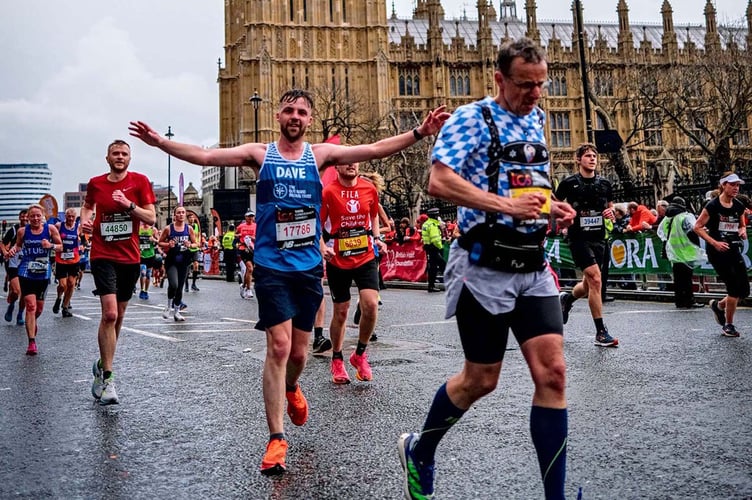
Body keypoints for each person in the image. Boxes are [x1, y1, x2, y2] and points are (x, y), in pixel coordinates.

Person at [129, 89, 449, 476]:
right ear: (278, 116)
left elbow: (375, 149)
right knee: (278, 347)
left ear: (309, 119)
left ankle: (293, 388)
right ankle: (276, 439)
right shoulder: (260, 155)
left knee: (298, 355)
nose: (294, 116)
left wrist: (421, 131)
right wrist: (160, 142)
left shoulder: (321, 156)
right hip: (271, 266)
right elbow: (206, 155)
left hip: (308, 267)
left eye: (301, 112)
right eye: (288, 110)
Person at [398, 38, 576, 500]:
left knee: (553, 373)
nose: (535, 95)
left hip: (532, 264)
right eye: (524, 85)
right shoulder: (470, 119)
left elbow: (524, 185)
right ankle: (421, 448)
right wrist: (503, 206)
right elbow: (439, 180)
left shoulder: (537, 118)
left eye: (541, 85)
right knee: (482, 379)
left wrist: (550, 207)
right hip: (483, 266)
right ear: (499, 78)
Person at [80, 139, 157, 405]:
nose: (120, 157)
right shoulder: (96, 183)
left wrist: (128, 205)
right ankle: (109, 379)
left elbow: (151, 218)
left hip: (130, 257)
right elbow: (89, 206)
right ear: (108, 158)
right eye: (116, 153)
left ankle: (103, 363)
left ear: (130, 158)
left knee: (119, 316)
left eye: (124, 153)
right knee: (110, 313)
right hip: (102, 254)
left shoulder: (140, 182)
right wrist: (85, 221)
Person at [320, 162, 386, 384]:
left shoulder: (369, 189)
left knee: (370, 304)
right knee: (341, 311)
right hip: (338, 258)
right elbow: (317, 225)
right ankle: (337, 359)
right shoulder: (328, 192)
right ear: (336, 167)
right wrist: (322, 247)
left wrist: (377, 238)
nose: (351, 164)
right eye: (346, 161)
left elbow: (373, 215)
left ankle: (359, 354)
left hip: (365, 255)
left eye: (355, 161)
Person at [554, 142, 619, 347]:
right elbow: (554, 203)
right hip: (578, 238)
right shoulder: (569, 183)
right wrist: (563, 217)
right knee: (596, 280)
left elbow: (611, 208)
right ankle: (601, 332)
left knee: (588, 283)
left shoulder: (605, 184)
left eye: (594, 156)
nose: (592, 159)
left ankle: (567, 299)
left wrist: (611, 213)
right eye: (588, 156)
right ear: (578, 159)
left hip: (599, 237)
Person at [694, 173, 749, 337]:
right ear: (723, 185)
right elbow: (697, 227)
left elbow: (742, 224)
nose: (736, 188)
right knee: (733, 288)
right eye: (732, 185)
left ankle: (718, 306)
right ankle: (728, 325)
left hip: (733, 249)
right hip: (718, 252)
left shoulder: (738, 205)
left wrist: (742, 230)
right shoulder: (712, 205)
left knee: (744, 291)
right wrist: (714, 243)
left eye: (738, 185)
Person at [6, 204, 63, 355]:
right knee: (30, 306)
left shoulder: (50, 229)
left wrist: (50, 245)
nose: (35, 218)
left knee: (38, 309)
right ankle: (31, 342)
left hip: (43, 273)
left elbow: (61, 247)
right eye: (32, 216)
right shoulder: (22, 231)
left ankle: (32, 322)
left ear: (43, 216)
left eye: (38, 215)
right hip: (26, 271)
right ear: (28, 218)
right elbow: (18, 247)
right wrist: (13, 250)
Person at [657, 197, 705, 309]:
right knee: (687, 278)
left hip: (674, 253)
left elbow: (661, 233)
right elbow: (692, 232)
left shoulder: (666, 219)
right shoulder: (685, 217)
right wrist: (697, 246)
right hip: (686, 252)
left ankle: (679, 301)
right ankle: (689, 301)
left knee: (678, 279)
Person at [158, 206, 198, 321]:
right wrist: (168, 244)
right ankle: (168, 307)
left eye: (183, 213)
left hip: (184, 261)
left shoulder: (189, 228)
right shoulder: (168, 229)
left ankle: (176, 312)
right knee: (174, 284)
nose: (181, 215)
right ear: (174, 215)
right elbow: (160, 242)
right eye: (179, 213)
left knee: (180, 287)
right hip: (172, 260)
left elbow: (196, 244)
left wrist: (190, 245)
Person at [51, 208, 81, 318]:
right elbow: (52, 236)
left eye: (73, 217)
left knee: (71, 284)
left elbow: (82, 239)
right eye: (69, 216)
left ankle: (65, 306)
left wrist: (81, 245)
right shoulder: (59, 226)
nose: (71, 219)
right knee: (63, 285)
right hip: (61, 259)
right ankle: (59, 297)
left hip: (74, 259)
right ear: (66, 216)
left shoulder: (78, 227)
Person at [2, 209, 28, 325]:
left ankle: (20, 314)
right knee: (16, 292)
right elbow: (2, 243)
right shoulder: (13, 230)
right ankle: (12, 305)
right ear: (19, 217)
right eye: (22, 216)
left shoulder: (34, 230)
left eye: (26, 216)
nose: (25, 219)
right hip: (13, 265)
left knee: (25, 293)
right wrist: (5, 253)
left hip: (27, 266)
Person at [421, 208, 445, 292]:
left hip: (428, 247)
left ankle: (431, 286)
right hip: (434, 247)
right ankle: (451, 283)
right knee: (443, 265)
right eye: (437, 215)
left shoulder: (426, 224)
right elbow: (435, 239)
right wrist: (440, 247)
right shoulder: (432, 225)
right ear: (434, 215)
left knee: (433, 267)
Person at [236, 210, 257, 299]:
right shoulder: (241, 226)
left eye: (252, 216)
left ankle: (243, 286)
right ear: (245, 217)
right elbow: (235, 234)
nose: (250, 218)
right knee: (250, 269)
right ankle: (249, 290)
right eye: (249, 216)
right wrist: (239, 235)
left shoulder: (256, 226)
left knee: (249, 271)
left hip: (253, 249)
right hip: (244, 249)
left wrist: (252, 237)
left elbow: (259, 237)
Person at [138, 220, 160, 300]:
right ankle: (142, 289)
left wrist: (154, 240)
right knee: (143, 272)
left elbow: (159, 241)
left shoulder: (153, 230)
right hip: (141, 255)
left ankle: (146, 291)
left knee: (148, 274)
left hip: (150, 255)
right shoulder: (138, 228)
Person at [185, 213, 202, 293]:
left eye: (193, 217)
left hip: (195, 248)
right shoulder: (186, 227)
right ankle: (186, 284)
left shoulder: (196, 226)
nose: (192, 219)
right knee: (187, 268)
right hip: (188, 249)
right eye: (190, 217)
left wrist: (199, 243)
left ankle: (194, 284)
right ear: (188, 219)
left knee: (196, 265)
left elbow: (198, 235)